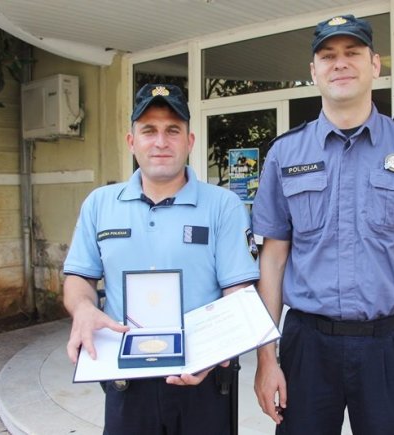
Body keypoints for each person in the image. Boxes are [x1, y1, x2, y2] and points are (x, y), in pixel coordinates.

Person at [251, 15, 394, 434]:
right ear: (313, 72)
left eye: (352, 53)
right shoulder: (285, 154)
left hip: (389, 345)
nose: (340, 63)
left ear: (375, 64)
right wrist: (266, 358)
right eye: (328, 56)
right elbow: (272, 261)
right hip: (307, 346)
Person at [62, 83, 260, 435]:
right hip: (125, 376)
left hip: (204, 374)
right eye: (149, 130)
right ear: (131, 141)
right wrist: (82, 308)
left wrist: (220, 347)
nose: (161, 142)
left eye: (172, 130)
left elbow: (238, 289)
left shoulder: (223, 205)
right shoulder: (99, 204)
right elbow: (79, 277)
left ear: (190, 141)